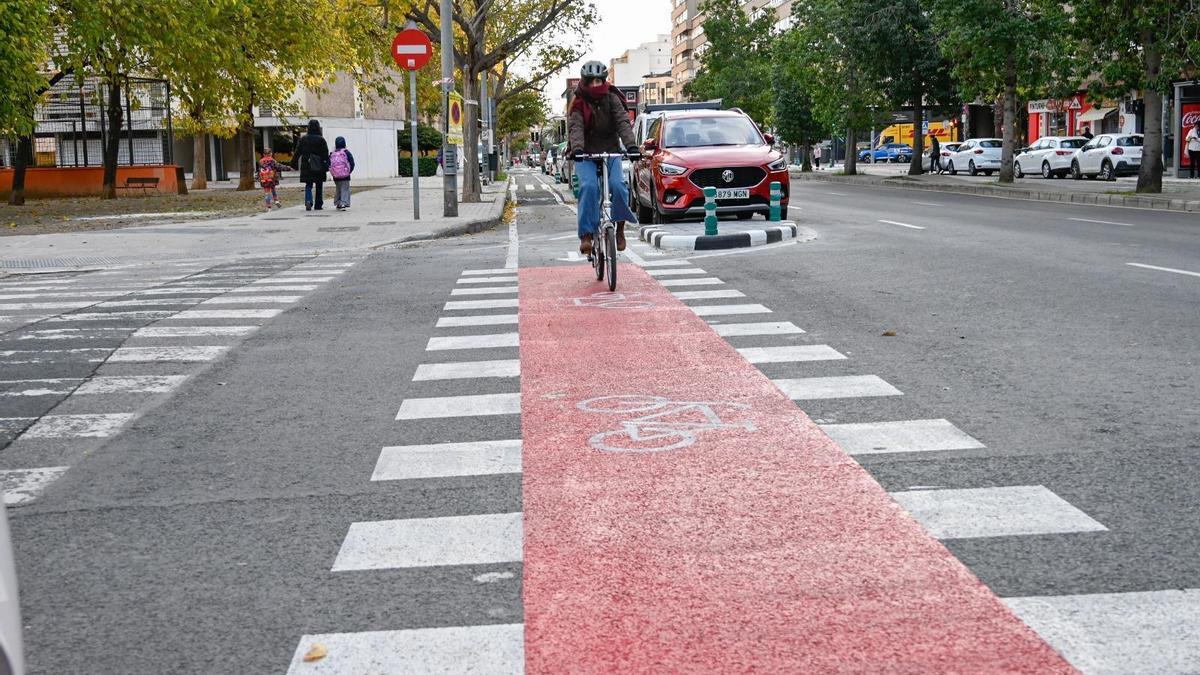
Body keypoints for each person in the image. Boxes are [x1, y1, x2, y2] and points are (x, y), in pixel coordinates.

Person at [567, 60, 639, 255]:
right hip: (586, 154)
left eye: (599, 81)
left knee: (618, 186)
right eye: (592, 81)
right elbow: (576, 128)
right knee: (588, 187)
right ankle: (587, 235)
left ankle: (620, 228)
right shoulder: (579, 102)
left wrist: (632, 146)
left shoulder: (612, 97)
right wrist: (578, 149)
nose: (596, 85)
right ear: (585, 82)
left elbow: (622, 121)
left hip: (610, 151)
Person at [294, 119, 330, 210]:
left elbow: (298, 152)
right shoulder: (321, 140)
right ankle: (318, 205)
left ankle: (308, 201)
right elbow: (325, 153)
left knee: (308, 184)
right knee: (319, 185)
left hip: (307, 165)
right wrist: (326, 164)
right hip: (319, 165)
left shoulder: (303, 139)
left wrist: (293, 162)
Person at [329, 136, 356, 210]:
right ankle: (343, 203)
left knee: (338, 188)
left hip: (336, 176)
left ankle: (338, 203)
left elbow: (329, 164)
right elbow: (352, 163)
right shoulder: (346, 152)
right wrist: (349, 171)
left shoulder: (332, 153)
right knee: (345, 188)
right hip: (345, 175)